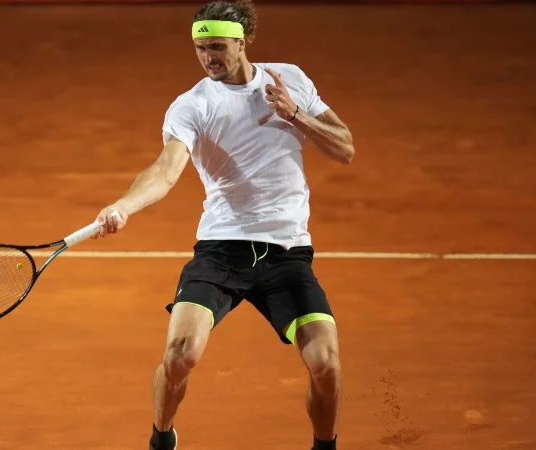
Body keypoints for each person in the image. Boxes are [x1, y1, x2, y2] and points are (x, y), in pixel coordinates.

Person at [90, 1, 355, 448]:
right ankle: (162, 437)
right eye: (199, 48)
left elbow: (344, 147)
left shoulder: (289, 79)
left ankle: (324, 445)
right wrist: (124, 205)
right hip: (221, 249)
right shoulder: (192, 105)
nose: (208, 57)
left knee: (326, 362)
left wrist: (295, 114)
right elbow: (165, 170)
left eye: (216, 46)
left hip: (286, 251)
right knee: (180, 355)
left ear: (243, 40)